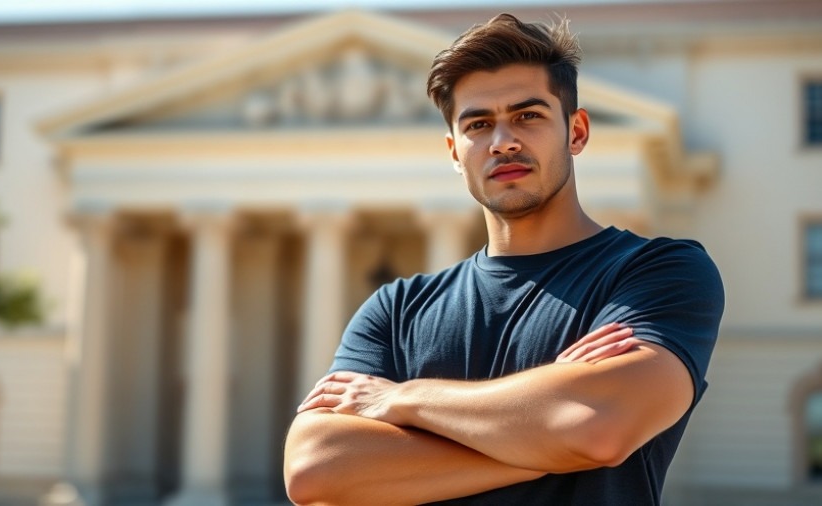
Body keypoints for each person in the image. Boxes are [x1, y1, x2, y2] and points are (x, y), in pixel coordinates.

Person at [283, 12, 724, 506]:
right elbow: (315, 469)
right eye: (478, 124)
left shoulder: (658, 271)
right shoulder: (396, 309)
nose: (503, 141)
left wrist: (402, 400)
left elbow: (597, 428)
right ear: (455, 152)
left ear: (576, 132)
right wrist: (550, 429)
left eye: (528, 115)